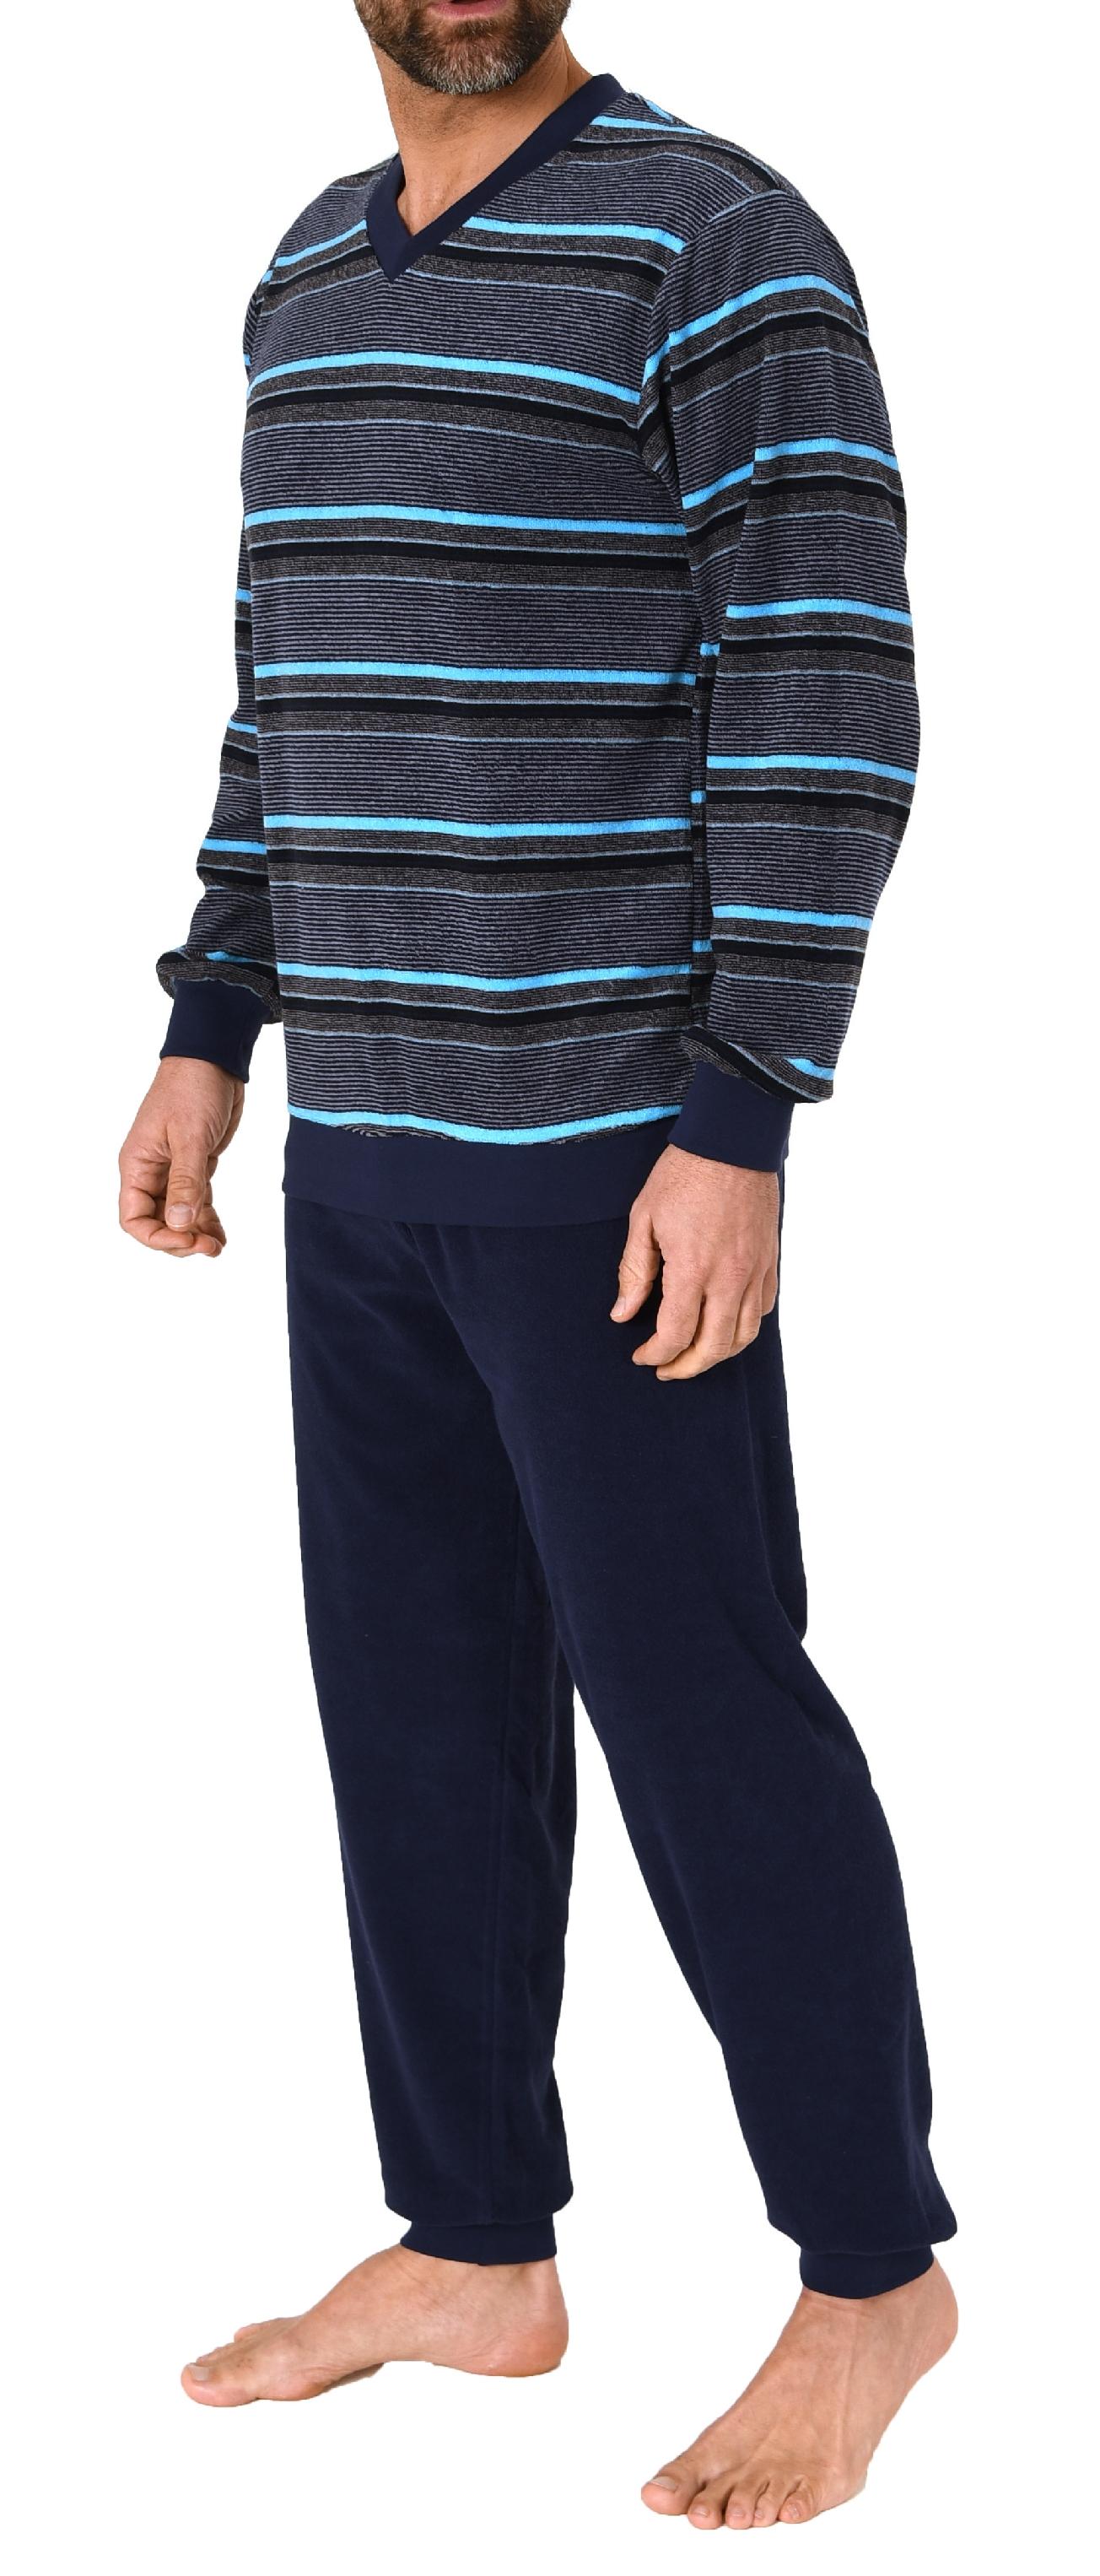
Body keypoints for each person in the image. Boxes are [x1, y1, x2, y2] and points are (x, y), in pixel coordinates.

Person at [119, 0, 957, 2528]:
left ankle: (874, 2275)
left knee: (701, 1711)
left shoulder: (718, 240)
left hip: (612, 1151)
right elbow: (288, 686)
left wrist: (743, 1113)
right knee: (414, 1711)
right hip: (367, 1142)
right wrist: (211, 1023)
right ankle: (476, 2245)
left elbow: (828, 689)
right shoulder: (306, 273)